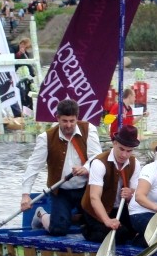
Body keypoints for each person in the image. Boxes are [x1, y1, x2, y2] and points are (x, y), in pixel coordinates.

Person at [21, 99, 102, 236]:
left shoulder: (89, 129)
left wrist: (86, 168)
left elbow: (97, 158)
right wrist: (25, 195)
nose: (69, 125)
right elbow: (34, 166)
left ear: (77, 118)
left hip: (86, 189)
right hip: (61, 191)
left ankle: (76, 217)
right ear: (57, 118)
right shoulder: (45, 137)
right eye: (64, 121)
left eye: (72, 121)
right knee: (58, 230)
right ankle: (41, 214)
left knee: (96, 226)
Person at [80, 125, 141, 244]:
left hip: (119, 208)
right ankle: (87, 229)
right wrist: (107, 220)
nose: (124, 155)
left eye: (129, 151)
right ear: (114, 143)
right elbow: (94, 197)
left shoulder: (135, 163)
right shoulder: (99, 163)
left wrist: (131, 193)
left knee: (136, 231)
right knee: (120, 235)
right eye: (121, 149)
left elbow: (136, 192)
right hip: (95, 211)